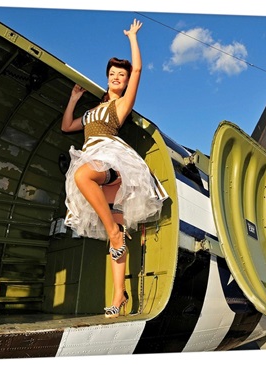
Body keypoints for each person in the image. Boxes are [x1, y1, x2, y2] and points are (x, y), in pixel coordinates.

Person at [61, 19, 167, 319]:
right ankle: (119, 297)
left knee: (83, 177)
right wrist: (73, 99)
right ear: (106, 78)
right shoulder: (92, 110)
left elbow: (138, 71)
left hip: (112, 160)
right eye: (113, 74)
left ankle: (115, 235)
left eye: (121, 75)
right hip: (91, 154)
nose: (117, 78)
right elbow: (67, 126)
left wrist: (132, 37)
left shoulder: (119, 106)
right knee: (115, 234)